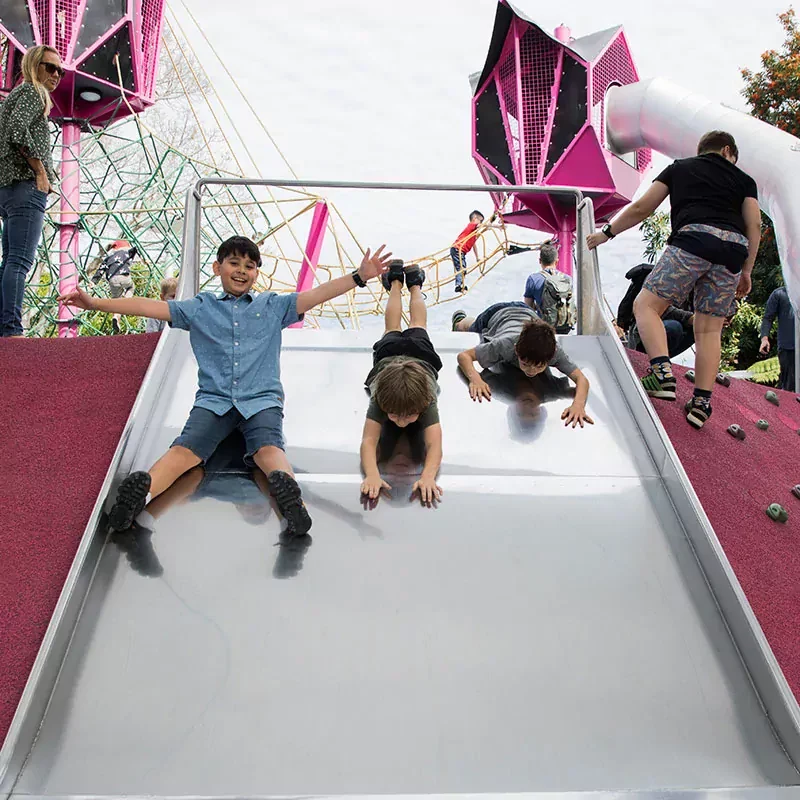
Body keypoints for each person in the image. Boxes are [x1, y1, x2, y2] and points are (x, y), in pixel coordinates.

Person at [60, 235, 393, 551]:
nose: (242, 271)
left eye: (249, 266)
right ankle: (140, 494)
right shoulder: (201, 307)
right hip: (214, 401)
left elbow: (316, 294)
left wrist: (359, 277)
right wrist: (94, 304)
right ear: (217, 268)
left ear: (256, 273)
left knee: (268, 449)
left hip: (261, 399)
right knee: (184, 452)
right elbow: (148, 307)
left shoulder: (273, 305)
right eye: (234, 263)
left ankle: (293, 501)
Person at [587, 130, 761, 429]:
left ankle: (662, 374)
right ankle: (702, 404)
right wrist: (746, 270)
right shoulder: (744, 180)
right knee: (709, 331)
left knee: (646, 306)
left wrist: (606, 233)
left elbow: (644, 207)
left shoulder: (680, 167)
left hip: (692, 242)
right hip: (732, 252)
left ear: (702, 150)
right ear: (728, 150)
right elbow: (754, 223)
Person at [360, 260, 444, 506]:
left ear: (421, 407)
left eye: (408, 417)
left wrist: (428, 476)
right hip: (410, 356)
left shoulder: (425, 398)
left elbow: (435, 444)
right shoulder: (382, 399)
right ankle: (410, 283)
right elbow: (368, 442)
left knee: (394, 327)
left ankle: (400, 282)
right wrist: (372, 475)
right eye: (395, 416)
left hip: (400, 356)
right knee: (411, 325)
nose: (401, 422)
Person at [0, 45, 62, 337]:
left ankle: (5, 325)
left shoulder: (13, 97)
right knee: (20, 261)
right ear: (34, 66)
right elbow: (16, 131)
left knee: (10, 259)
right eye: (50, 67)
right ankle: (12, 328)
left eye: (60, 70)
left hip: (7, 189)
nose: (57, 75)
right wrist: (40, 171)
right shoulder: (33, 93)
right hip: (25, 186)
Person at [451, 302, 593, 427]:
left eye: (538, 366)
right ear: (516, 351)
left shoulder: (554, 352)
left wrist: (578, 405)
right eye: (525, 364)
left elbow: (581, 379)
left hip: (529, 315)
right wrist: (475, 379)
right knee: (472, 327)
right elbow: (464, 356)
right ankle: (459, 321)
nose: (531, 371)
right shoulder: (506, 346)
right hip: (496, 314)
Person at [618, 264, 695, 359]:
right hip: (643, 332)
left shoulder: (697, 291)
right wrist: (689, 318)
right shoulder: (661, 273)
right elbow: (652, 306)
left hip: (671, 338)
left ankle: (662, 359)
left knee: (701, 329)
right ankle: (649, 359)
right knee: (674, 327)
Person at [523, 242, 576, 333]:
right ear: (556, 261)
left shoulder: (533, 279)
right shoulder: (567, 279)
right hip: (565, 328)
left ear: (540, 260)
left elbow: (528, 308)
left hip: (545, 329)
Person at [90, 240, 138, 333]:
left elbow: (101, 270)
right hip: (124, 277)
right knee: (131, 287)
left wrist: (93, 282)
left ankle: (116, 316)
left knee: (116, 300)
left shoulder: (109, 257)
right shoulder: (127, 252)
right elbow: (136, 249)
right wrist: (144, 259)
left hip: (112, 280)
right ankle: (127, 300)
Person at [759, 285, 796, 392]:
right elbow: (768, 318)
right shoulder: (780, 294)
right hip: (788, 348)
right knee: (789, 387)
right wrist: (764, 339)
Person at [450, 210, 484, 294]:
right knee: (461, 268)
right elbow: (483, 225)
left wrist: (477, 258)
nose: (481, 223)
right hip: (457, 249)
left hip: (460, 251)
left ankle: (460, 285)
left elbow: (474, 245)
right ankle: (458, 285)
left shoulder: (473, 234)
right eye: (480, 220)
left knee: (463, 269)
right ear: (475, 219)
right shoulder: (471, 225)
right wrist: (496, 226)